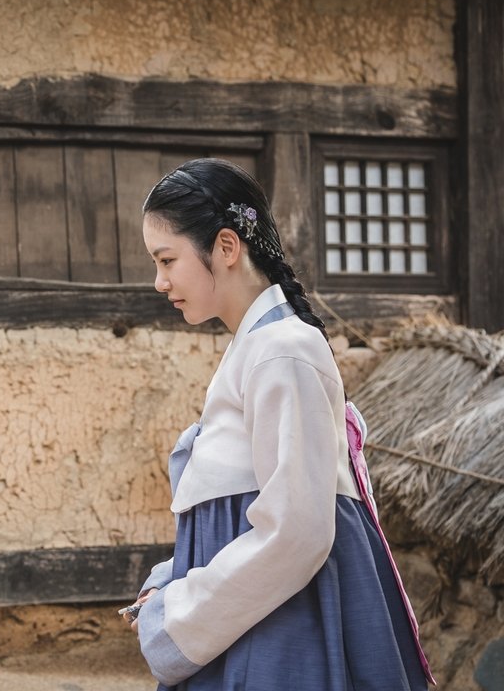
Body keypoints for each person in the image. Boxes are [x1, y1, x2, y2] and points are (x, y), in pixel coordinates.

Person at [126, 158, 433, 690]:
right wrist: (175, 578)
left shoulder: (281, 351)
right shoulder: (259, 349)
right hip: (256, 612)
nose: (160, 282)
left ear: (226, 247)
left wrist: (178, 617)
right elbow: (252, 514)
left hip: (284, 627)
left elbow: (296, 531)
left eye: (167, 259)